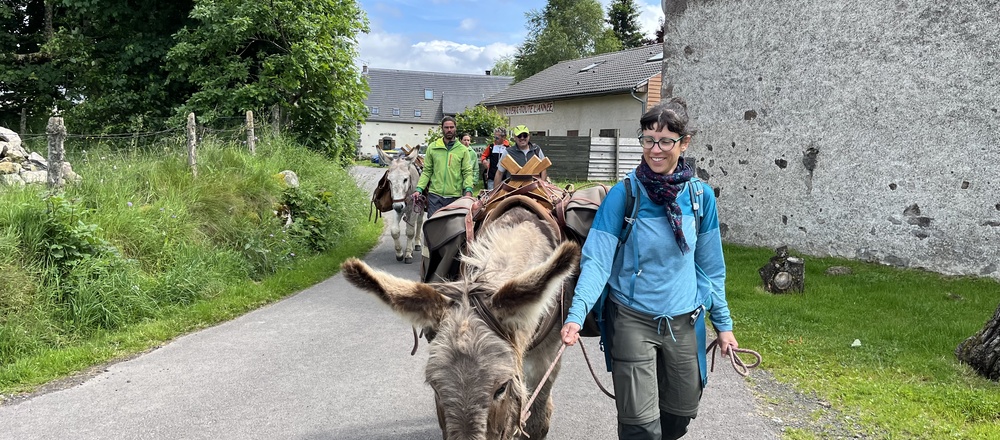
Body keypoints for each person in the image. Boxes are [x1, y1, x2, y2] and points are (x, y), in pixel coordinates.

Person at [559, 98, 738, 440]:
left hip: (685, 321)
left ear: (684, 143)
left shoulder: (700, 198)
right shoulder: (623, 195)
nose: (655, 150)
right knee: (640, 426)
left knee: (679, 417)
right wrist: (576, 315)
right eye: (648, 140)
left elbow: (711, 268)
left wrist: (724, 325)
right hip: (632, 319)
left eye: (665, 141)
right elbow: (597, 261)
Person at [414, 116, 475, 216]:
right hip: (435, 196)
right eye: (446, 127)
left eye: (451, 127)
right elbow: (427, 171)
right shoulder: (433, 147)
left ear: (455, 128)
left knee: (452, 225)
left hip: (455, 197)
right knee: (433, 223)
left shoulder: (463, 150)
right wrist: (419, 189)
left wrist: (468, 190)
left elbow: (467, 172)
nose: (449, 130)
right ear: (442, 129)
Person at [493, 124, 547, 189]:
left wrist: (542, 187)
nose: (522, 138)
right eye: (519, 136)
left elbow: (543, 169)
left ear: (529, 136)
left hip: (535, 190)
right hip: (514, 190)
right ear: (515, 137)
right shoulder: (508, 152)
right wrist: (495, 192)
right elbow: (499, 173)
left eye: (525, 135)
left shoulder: (536, 150)